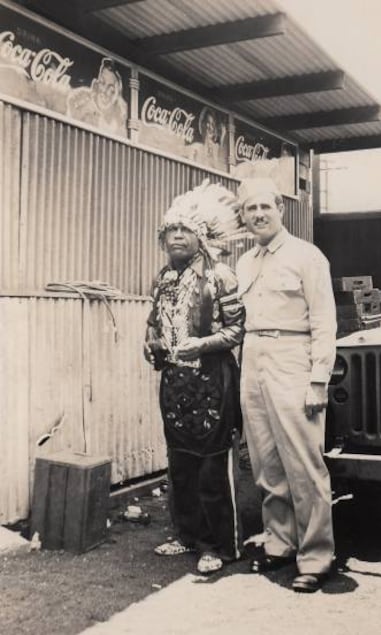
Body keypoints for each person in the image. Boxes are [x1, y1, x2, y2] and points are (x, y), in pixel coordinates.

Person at [236, 175, 337, 593]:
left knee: (303, 463)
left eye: (265, 207)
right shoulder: (244, 263)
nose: (258, 215)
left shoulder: (306, 256)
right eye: (250, 209)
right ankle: (279, 545)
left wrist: (318, 380)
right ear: (243, 217)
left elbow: (324, 321)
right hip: (253, 359)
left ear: (280, 209)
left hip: (293, 359)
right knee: (266, 462)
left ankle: (315, 557)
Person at [144, 180, 245, 575]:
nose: (177, 237)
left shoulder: (222, 276)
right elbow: (154, 324)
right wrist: (151, 344)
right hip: (174, 384)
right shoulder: (162, 280)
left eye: (185, 230)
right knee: (180, 463)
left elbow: (237, 332)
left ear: (201, 237)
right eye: (171, 231)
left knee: (212, 467)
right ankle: (186, 536)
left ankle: (216, 545)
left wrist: (200, 346)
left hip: (213, 382)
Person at [66, 57, 127, 136]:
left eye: (111, 90)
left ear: (118, 95)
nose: (104, 90)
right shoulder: (80, 98)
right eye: (102, 82)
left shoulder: (120, 116)